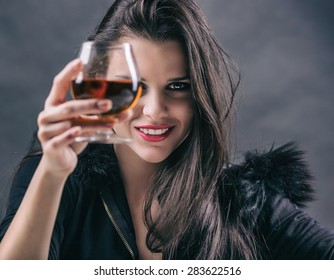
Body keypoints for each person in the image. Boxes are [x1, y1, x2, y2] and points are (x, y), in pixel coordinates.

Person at [0, 0, 333, 260]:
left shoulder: (245, 202)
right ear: (98, 87)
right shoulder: (51, 181)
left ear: (201, 93)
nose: (155, 110)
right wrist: (52, 174)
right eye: (133, 87)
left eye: (177, 86)